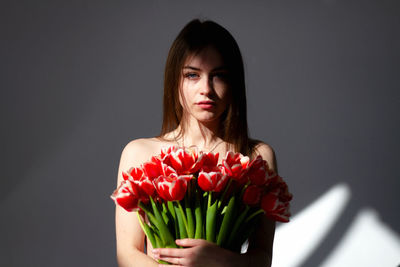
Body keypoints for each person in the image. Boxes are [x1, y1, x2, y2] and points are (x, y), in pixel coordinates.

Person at [115, 19, 277, 267]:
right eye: (192, 75)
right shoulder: (139, 153)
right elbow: (127, 254)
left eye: (219, 76)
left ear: (234, 83)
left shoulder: (255, 156)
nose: (206, 89)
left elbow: (263, 257)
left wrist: (223, 261)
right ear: (174, 82)